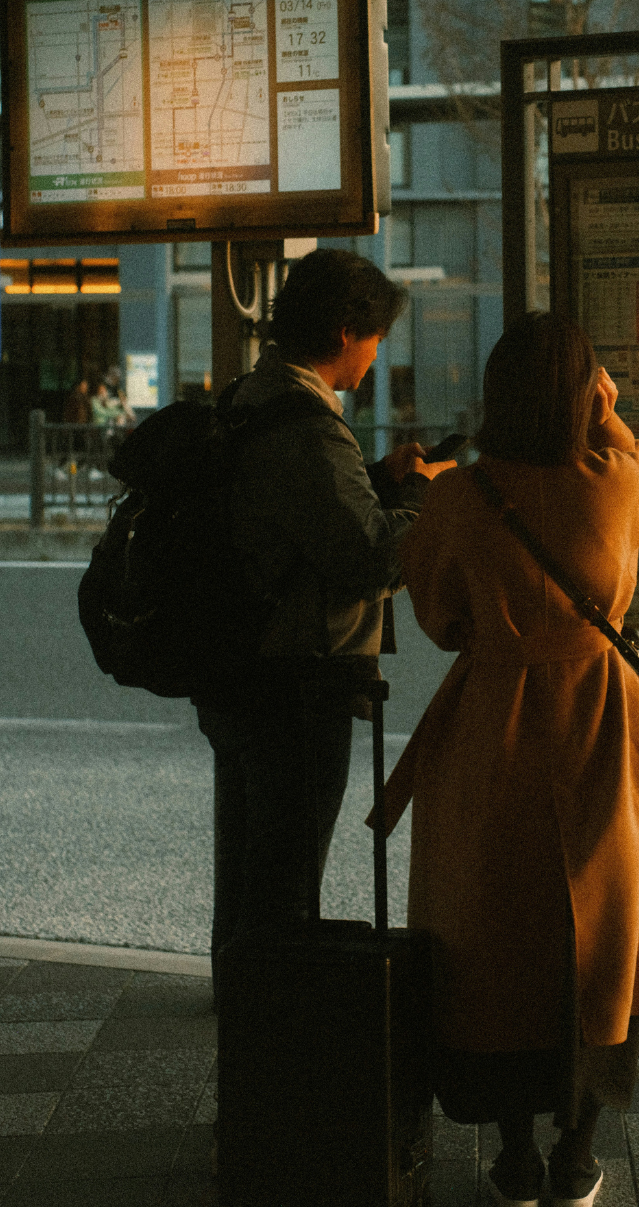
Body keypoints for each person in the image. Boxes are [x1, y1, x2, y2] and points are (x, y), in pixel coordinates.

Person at [375, 312, 639, 1207]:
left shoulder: (462, 497)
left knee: (494, 926)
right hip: (599, 720)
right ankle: (577, 1153)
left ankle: (511, 1154)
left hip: (491, 723)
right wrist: (613, 416)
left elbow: (438, 615)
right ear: (587, 393)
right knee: (599, 920)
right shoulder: (617, 483)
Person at [196, 248, 452, 958]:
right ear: (346, 331)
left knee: (247, 874)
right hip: (296, 684)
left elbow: (298, 521)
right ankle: (271, 1040)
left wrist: (378, 479)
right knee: (282, 887)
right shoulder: (310, 427)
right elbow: (367, 556)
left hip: (241, 671)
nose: (375, 354)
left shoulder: (254, 399)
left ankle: (241, 1014)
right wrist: (432, 493)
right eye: (375, 338)